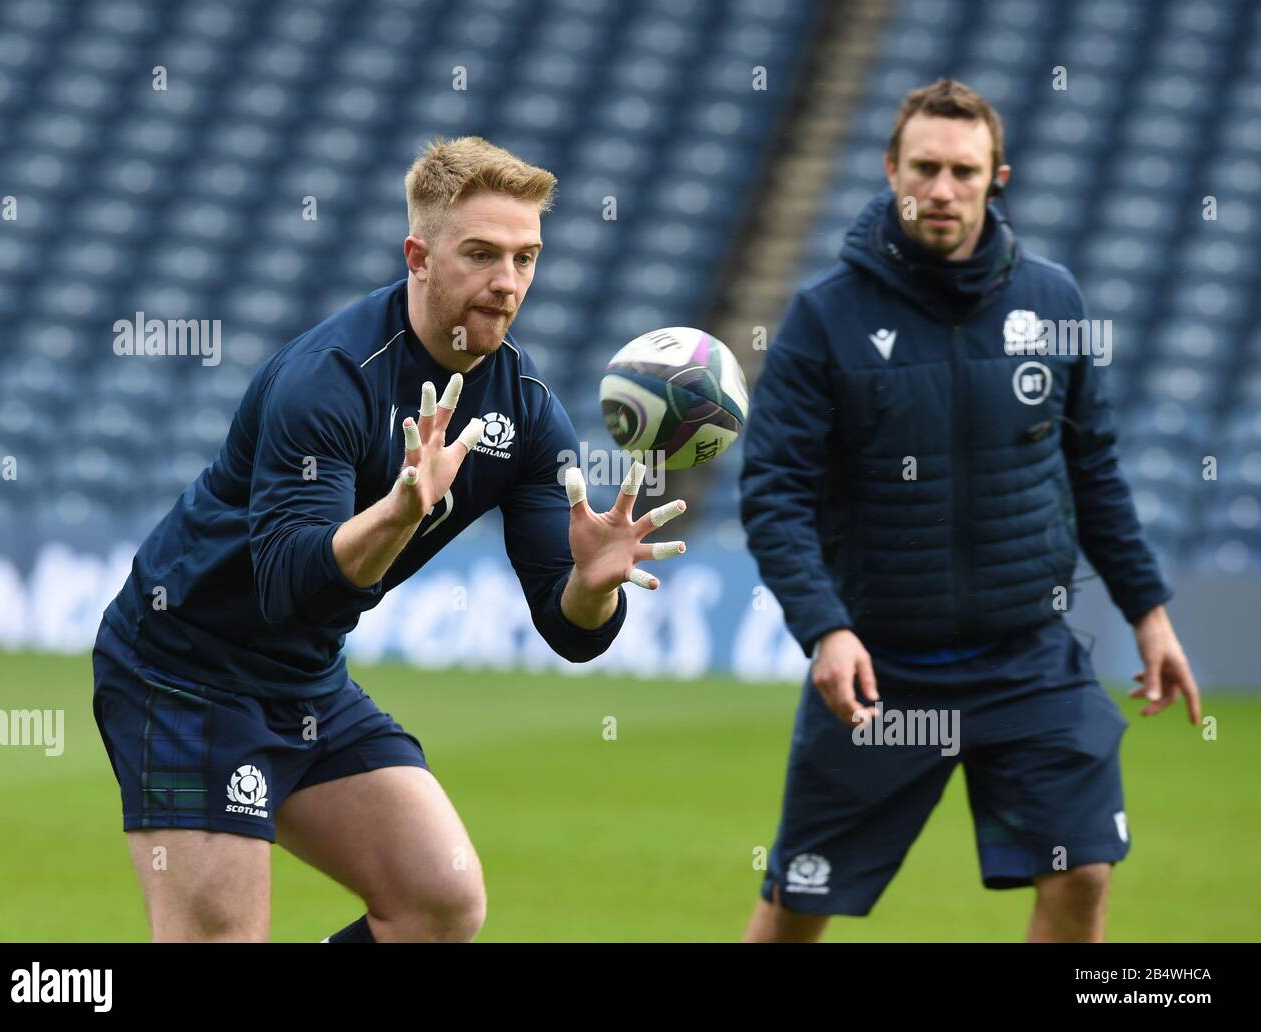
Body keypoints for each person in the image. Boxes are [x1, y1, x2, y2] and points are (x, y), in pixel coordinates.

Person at [91, 136, 688, 942]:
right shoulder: (329, 379)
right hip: (183, 673)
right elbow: (288, 582)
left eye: (526, 257)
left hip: (304, 681)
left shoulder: (530, 408)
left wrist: (590, 585)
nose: (507, 282)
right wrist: (399, 512)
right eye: (481, 254)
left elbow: (569, 629)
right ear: (419, 255)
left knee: (439, 903)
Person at [739, 79, 1200, 943]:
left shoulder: (1056, 303)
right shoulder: (822, 319)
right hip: (883, 672)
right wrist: (825, 629)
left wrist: (1150, 612)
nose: (941, 189)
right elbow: (773, 493)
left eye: (962, 170)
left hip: (1029, 660)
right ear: (890, 170)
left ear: (998, 177)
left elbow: (1093, 469)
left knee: (1082, 874)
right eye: (923, 168)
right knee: (800, 903)